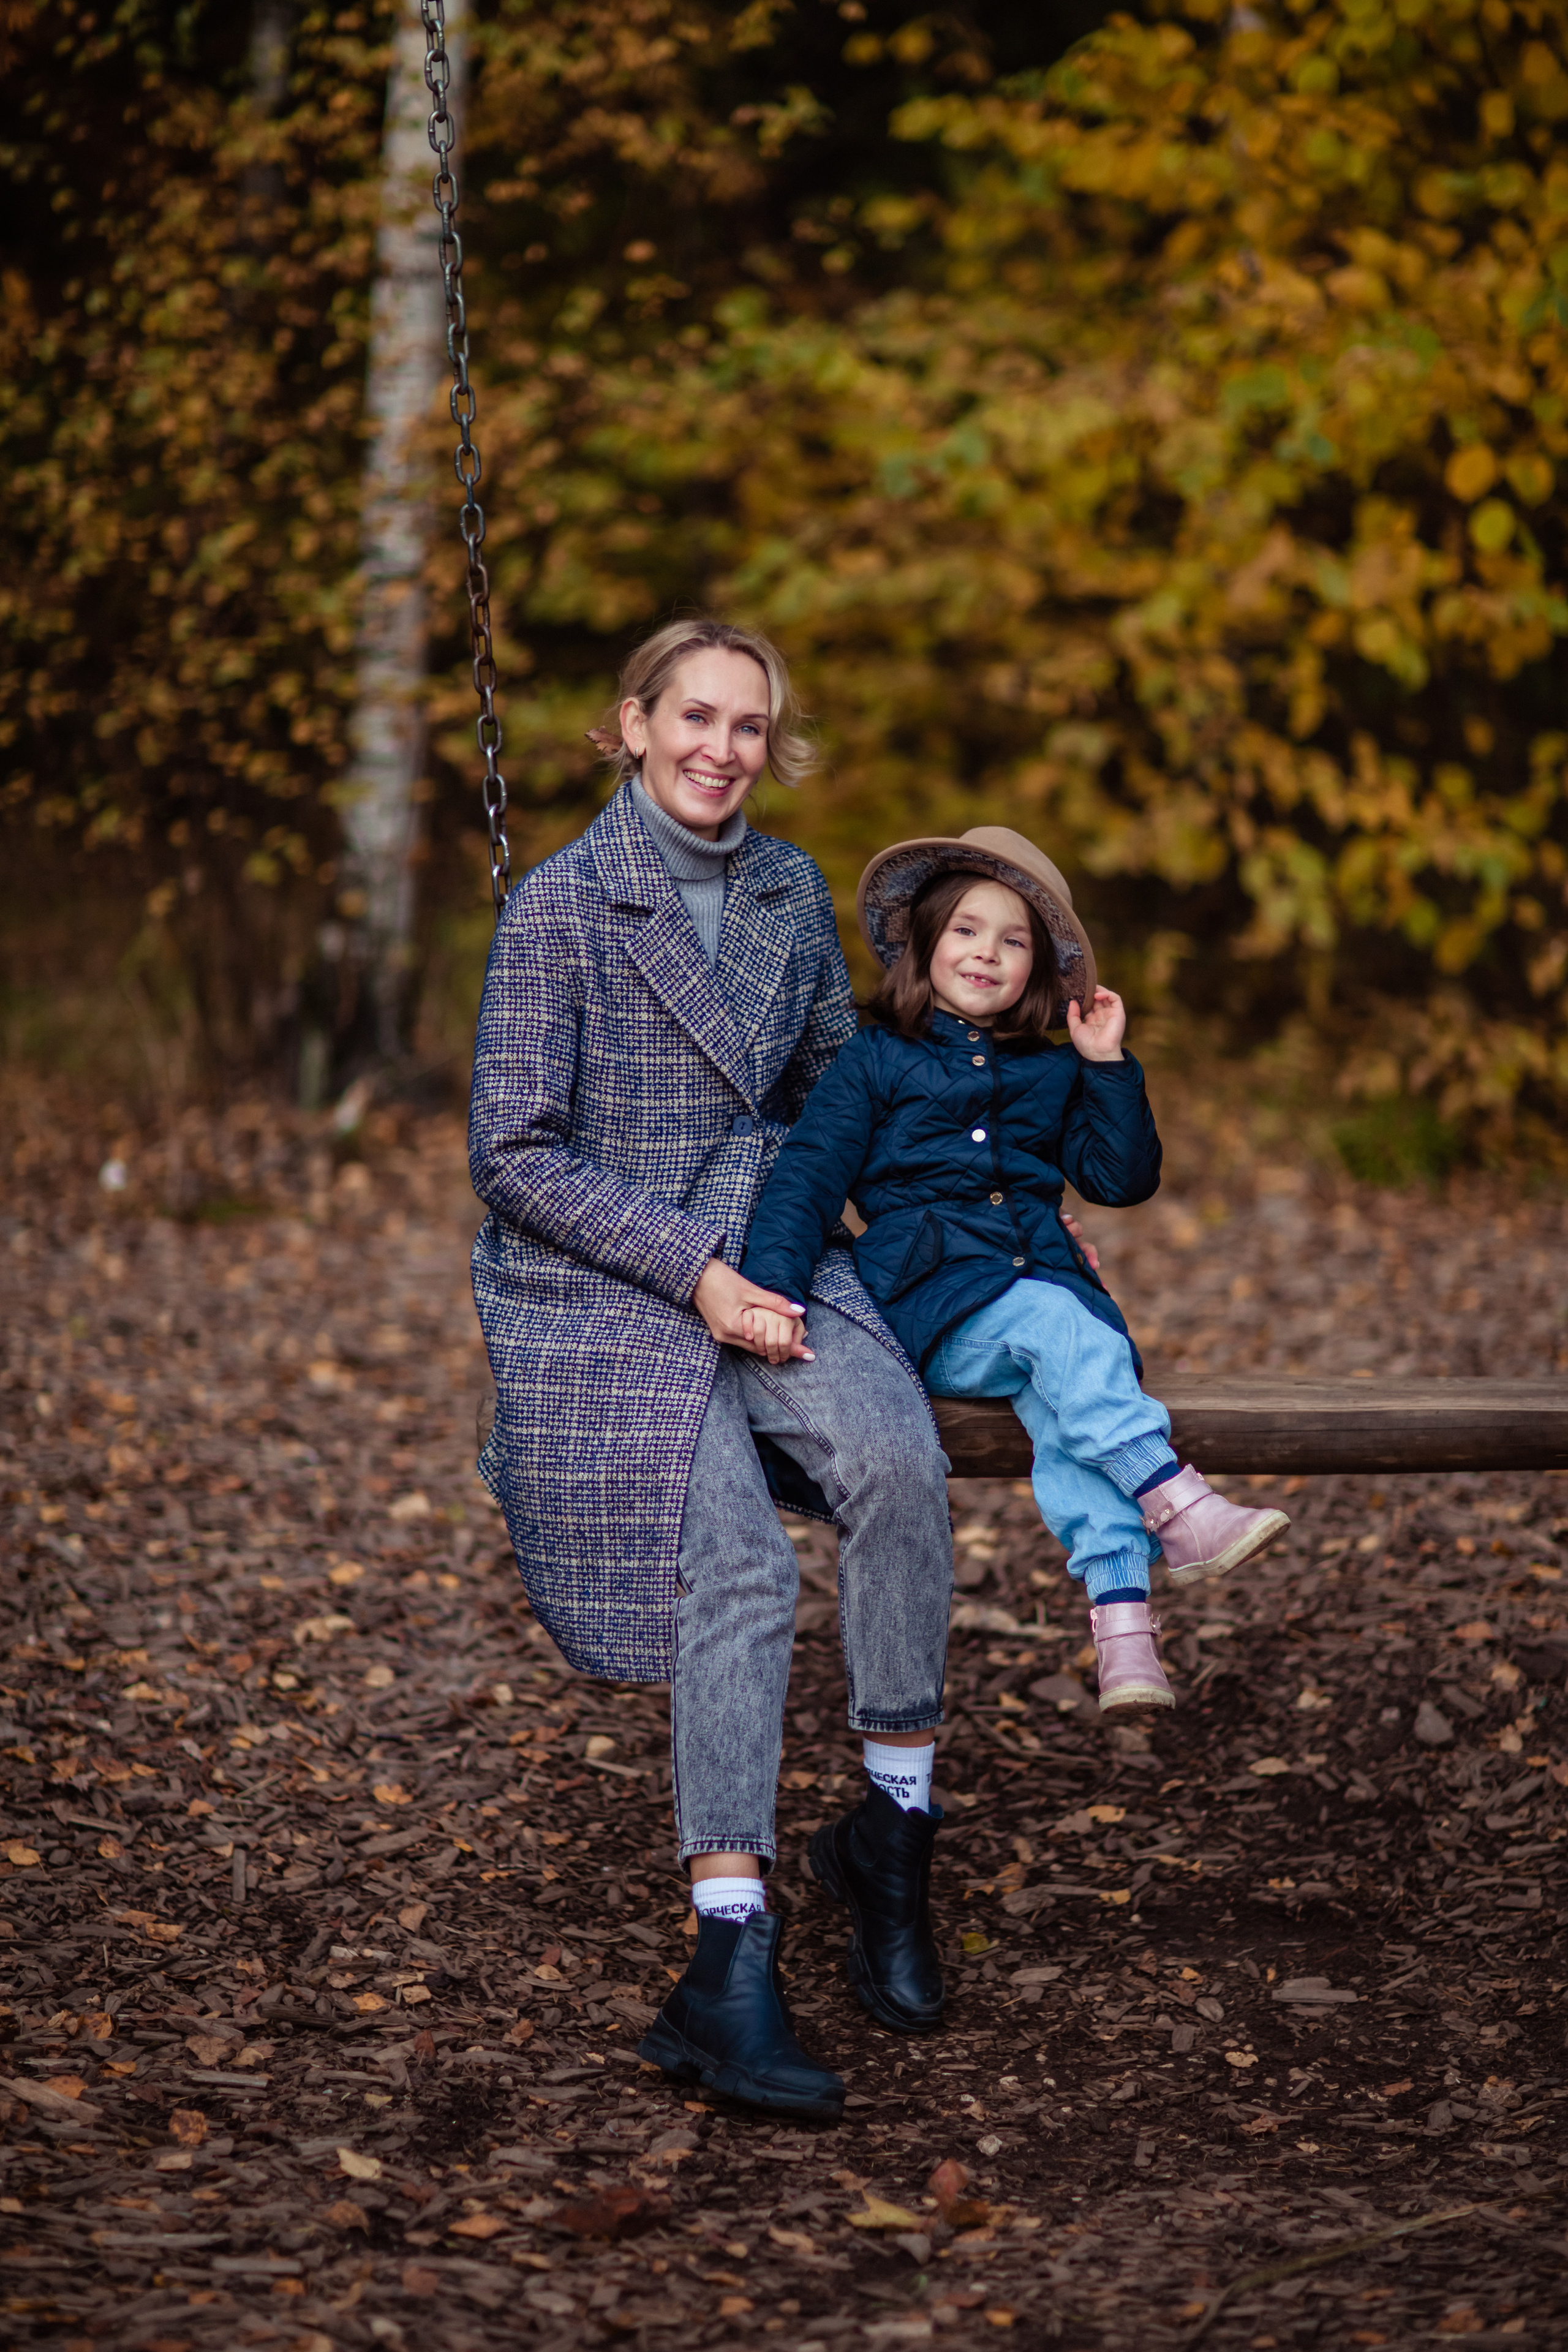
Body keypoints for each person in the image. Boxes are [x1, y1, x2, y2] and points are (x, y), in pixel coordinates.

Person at [467, 617, 957, 2124]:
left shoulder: (791, 888)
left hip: (778, 1243)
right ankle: (725, 1963)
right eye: (693, 717)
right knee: (737, 1566)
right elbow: (513, 1150)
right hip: (612, 1280)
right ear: (631, 725)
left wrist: (961, 1173)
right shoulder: (559, 906)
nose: (719, 749)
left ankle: (886, 1837)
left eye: (748, 726)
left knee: (899, 1461)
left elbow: (826, 1084)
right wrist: (693, 1275)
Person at [741, 826, 1289, 1713]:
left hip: (1040, 1308)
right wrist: (772, 1293)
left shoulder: (1052, 1066)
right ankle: (1177, 1503)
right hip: (934, 1304)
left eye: (1013, 940)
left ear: (1037, 967)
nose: (986, 953)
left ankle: (1124, 1632)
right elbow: (807, 1180)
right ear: (924, 941)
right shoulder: (876, 1059)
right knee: (1061, 1331)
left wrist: (1106, 1065)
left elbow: (1121, 1178)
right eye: (965, 930)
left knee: (1064, 1395)